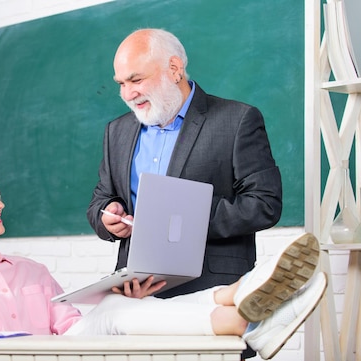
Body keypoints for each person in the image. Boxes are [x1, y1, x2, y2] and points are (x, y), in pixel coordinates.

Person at [0, 159, 325, 360]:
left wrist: (132, 303)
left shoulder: (30, 271)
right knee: (112, 308)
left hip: (60, 354)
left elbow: (72, 328)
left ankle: (242, 310)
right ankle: (247, 311)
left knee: (120, 305)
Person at [87, 28, 283, 301]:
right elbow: (101, 199)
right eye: (121, 83)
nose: (128, 94)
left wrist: (178, 219)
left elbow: (264, 204)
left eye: (136, 80)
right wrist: (107, 216)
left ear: (175, 68)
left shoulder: (237, 120)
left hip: (212, 291)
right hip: (136, 294)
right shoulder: (116, 131)